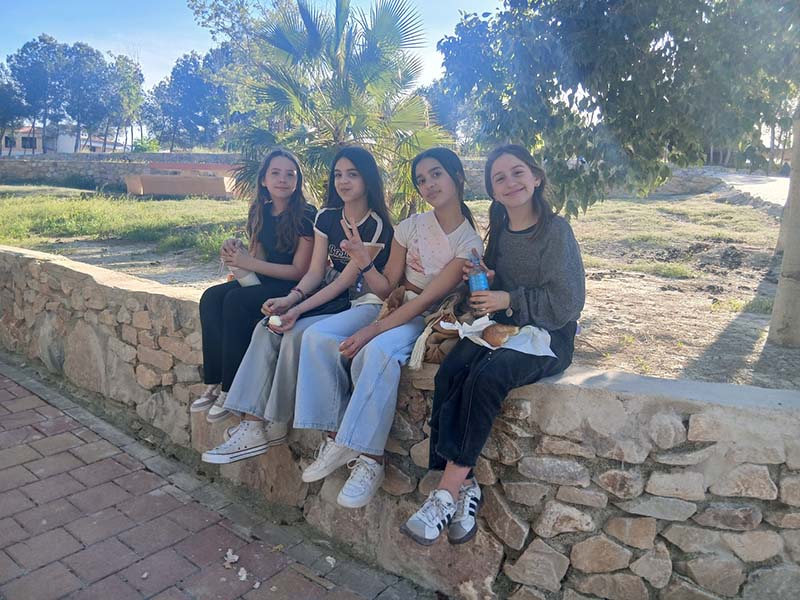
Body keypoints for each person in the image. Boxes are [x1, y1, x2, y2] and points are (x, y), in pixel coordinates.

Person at [401, 144, 585, 545]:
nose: (510, 182)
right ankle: (464, 484)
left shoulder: (556, 231)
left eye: (517, 172)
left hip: (550, 336)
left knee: (487, 376)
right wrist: (485, 277)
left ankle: (446, 492)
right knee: (452, 371)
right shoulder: (499, 228)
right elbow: (499, 289)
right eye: (499, 177)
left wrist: (508, 298)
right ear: (492, 190)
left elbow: (568, 302)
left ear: (536, 178)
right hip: (507, 328)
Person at [293, 148, 484, 509]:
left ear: (457, 176)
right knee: (327, 340)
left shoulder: (469, 243)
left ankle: (369, 459)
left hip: (428, 318)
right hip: (395, 307)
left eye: (436, 174)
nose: (429, 184)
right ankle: (338, 439)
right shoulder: (410, 227)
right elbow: (387, 289)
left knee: (378, 350)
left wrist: (373, 330)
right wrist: (365, 263)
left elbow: (426, 301)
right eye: (422, 180)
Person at [200, 146, 393, 463]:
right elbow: (315, 272)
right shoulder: (328, 217)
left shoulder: (376, 225)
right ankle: (252, 424)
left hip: (356, 300)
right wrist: (290, 301)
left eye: (352, 174)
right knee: (269, 326)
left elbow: (344, 283)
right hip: (326, 291)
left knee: (293, 333)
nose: (343, 181)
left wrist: (296, 309)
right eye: (338, 174)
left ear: (368, 179)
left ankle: (272, 422)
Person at [191, 148, 316, 422]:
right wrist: (236, 251)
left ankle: (231, 388)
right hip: (265, 281)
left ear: (297, 181)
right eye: (276, 173)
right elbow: (257, 257)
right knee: (211, 297)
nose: (283, 179)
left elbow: (300, 271)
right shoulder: (260, 210)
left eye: (290, 174)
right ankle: (214, 381)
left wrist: (249, 262)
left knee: (235, 302)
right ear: (263, 179)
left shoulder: (306, 215)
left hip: (292, 288)